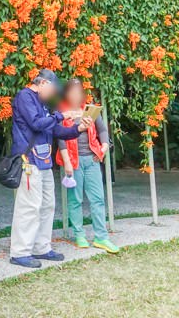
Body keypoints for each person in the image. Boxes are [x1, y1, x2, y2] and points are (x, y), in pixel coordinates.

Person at [8, 68, 87, 268]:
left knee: (47, 206)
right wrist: (62, 115)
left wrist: (77, 129)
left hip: (44, 162)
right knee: (29, 208)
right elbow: (36, 124)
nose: (53, 94)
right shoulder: (25, 96)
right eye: (52, 89)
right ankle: (20, 252)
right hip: (29, 162)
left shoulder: (42, 104)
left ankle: (41, 247)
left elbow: (54, 130)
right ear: (42, 83)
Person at [57, 79, 119, 253]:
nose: (76, 96)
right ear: (67, 94)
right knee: (75, 199)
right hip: (74, 161)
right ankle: (79, 234)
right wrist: (67, 162)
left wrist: (104, 147)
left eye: (79, 92)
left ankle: (101, 237)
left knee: (97, 199)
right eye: (72, 92)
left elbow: (103, 131)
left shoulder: (90, 110)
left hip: (92, 159)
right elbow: (60, 137)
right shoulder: (62, 112)